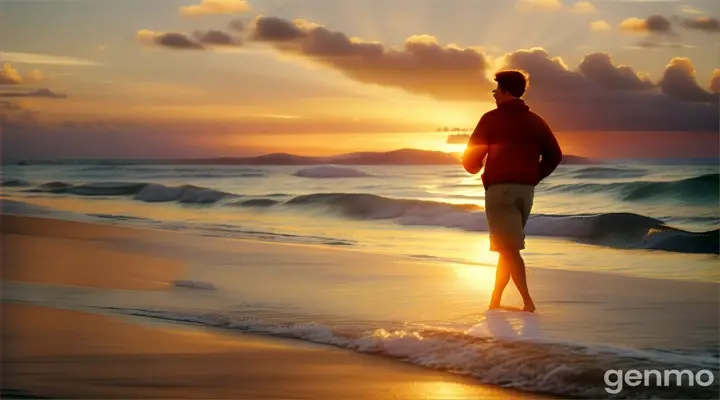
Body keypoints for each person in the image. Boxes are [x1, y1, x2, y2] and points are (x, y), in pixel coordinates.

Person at [461, 70, 562, 313]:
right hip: (525, 193)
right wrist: (533, 177)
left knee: (509, 249)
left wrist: (474, 167)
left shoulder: (491, 119)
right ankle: (495, 300)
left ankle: (527, 303)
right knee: (508, 248)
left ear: (506, 91)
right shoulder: (537, 121)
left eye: (496, 89)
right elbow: (554, 155)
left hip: (501, 192)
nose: (494, 93)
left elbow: (471, 157)